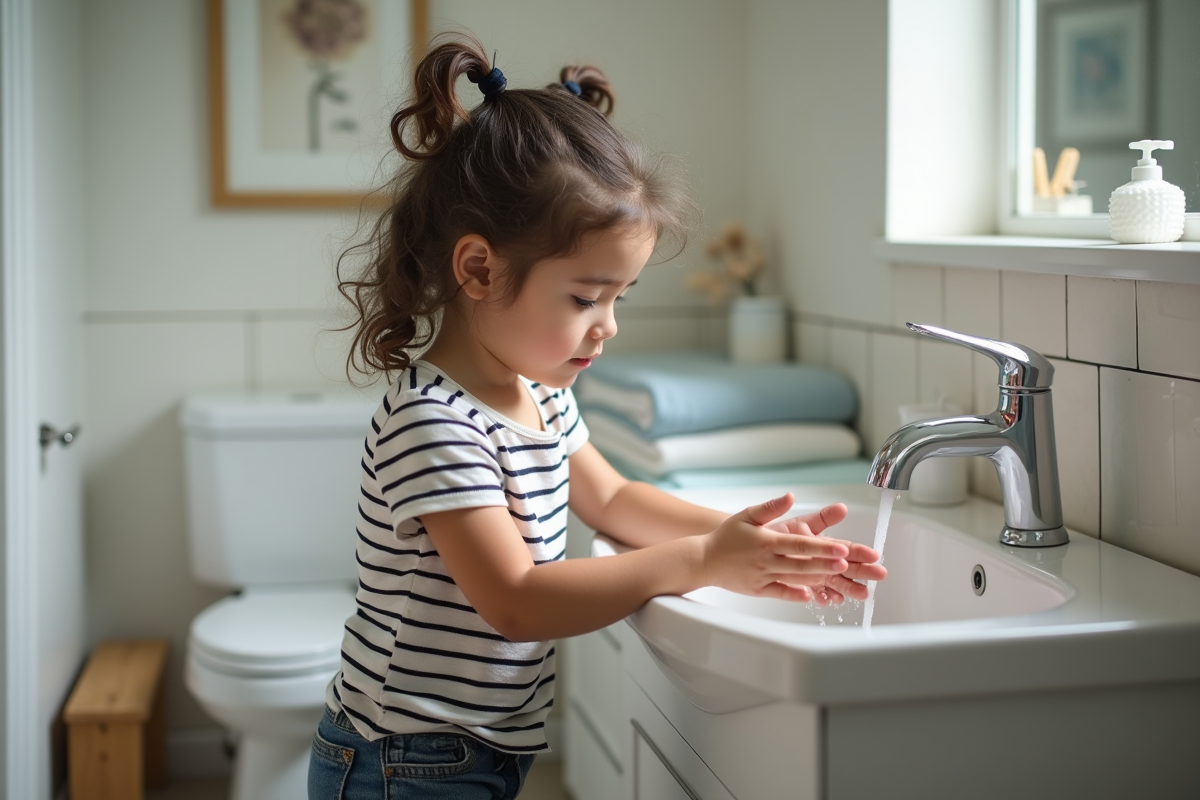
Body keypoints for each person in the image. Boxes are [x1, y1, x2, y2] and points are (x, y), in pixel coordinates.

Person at [308, 32, 886, 800]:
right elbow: (515, 601)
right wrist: (702, 563)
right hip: (401, 759)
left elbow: (610, 499)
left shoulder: (541, 393)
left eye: (618, 297)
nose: (607, 325)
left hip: (474, 746)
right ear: (479, 269)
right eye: (585, 298)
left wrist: (737, 538)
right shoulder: (433, 421)